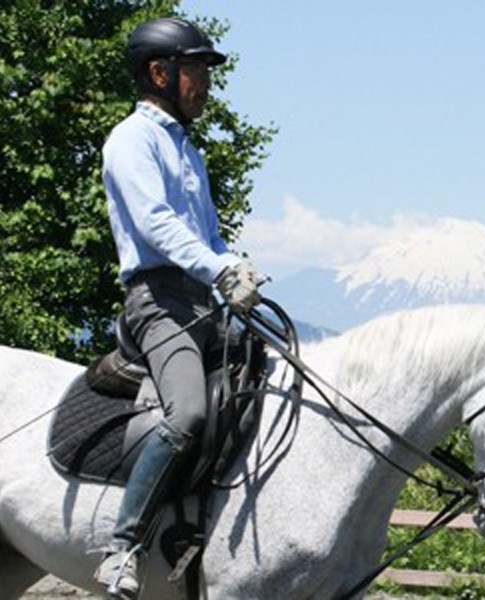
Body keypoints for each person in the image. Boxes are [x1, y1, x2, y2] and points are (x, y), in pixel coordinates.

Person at [93, 17, 260, 599]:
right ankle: (123, 547)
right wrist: (219, 269)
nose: (205, 82)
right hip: (155, 301)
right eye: (195, 70)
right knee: (189, 411)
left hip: (199, 299)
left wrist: (235, 268)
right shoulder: (131, 140)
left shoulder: (188, 150)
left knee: (266, 379)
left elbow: (209, 239)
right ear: (160, 73)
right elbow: (155, 224)